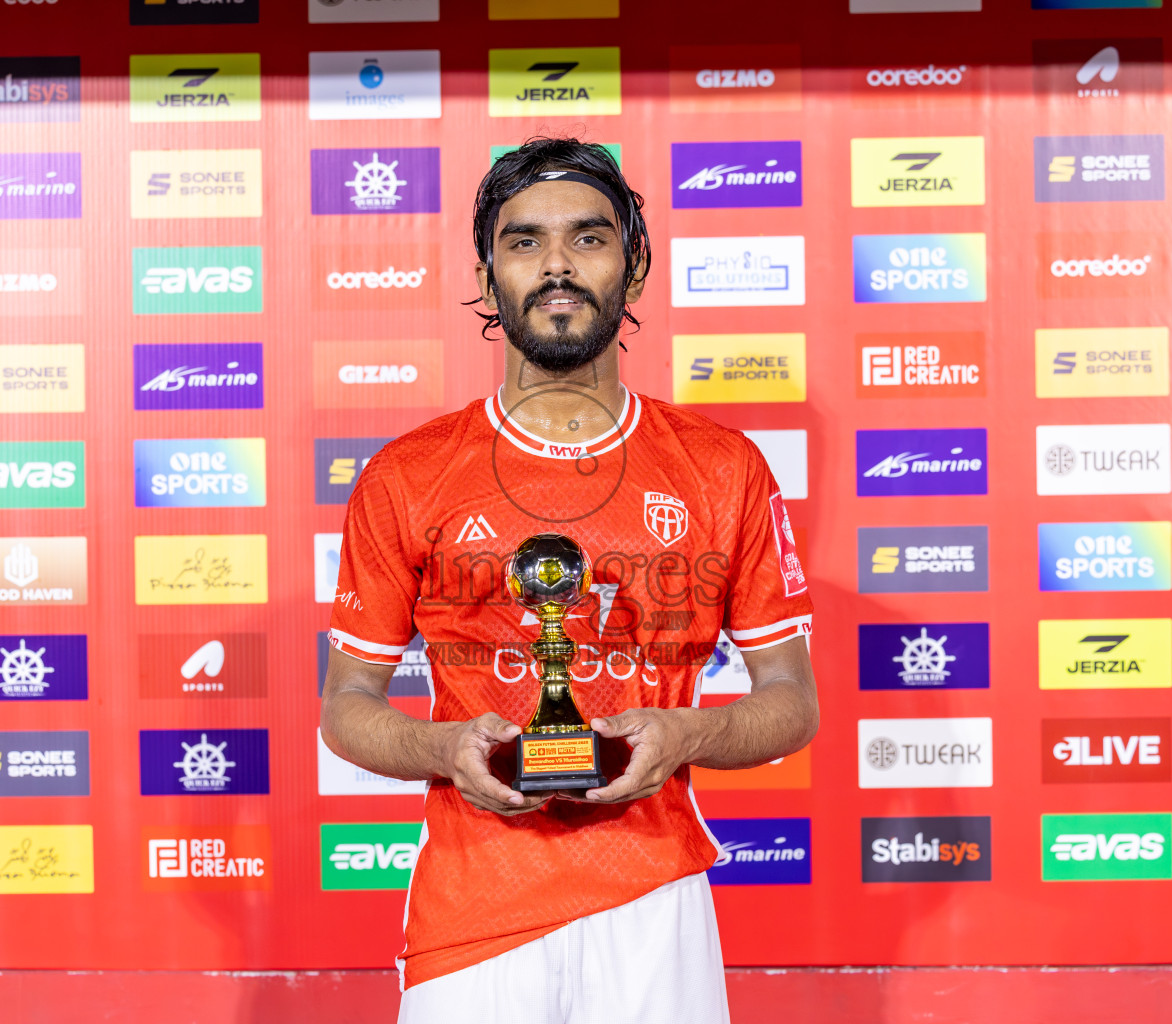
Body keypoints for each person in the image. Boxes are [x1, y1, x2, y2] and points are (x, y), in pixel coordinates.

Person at [320, 136, 818, 1024]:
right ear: (487, 277)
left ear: (634, 270)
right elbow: (347, 707)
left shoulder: (722, 468)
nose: (556, 265)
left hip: (652, 897)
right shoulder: (408, 474)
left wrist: (684, 733)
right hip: (475, 909)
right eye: (524, 242)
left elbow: (792, 701)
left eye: (589, 238)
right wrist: (444, 751)